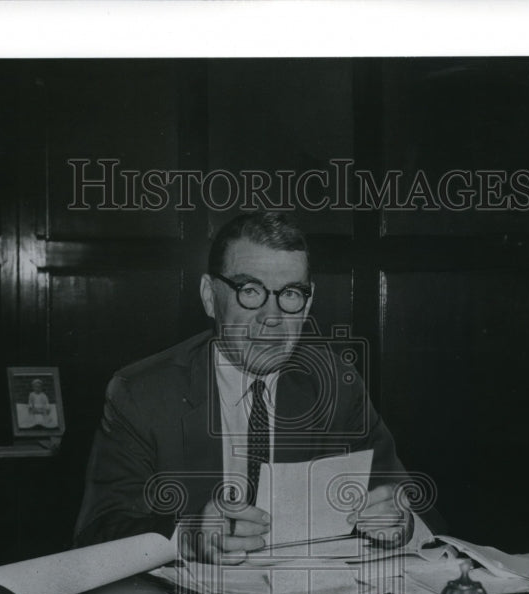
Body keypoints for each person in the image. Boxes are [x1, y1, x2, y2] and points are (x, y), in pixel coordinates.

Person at [74, 211, 430, 561]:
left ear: (308, 304)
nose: (271, 318)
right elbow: (96, 536)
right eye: (250, 290)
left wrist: (400, 524)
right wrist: (187, 537)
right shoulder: (142, 394)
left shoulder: (337, 385)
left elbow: (405, 505)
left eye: (290, 294)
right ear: (210, 297)